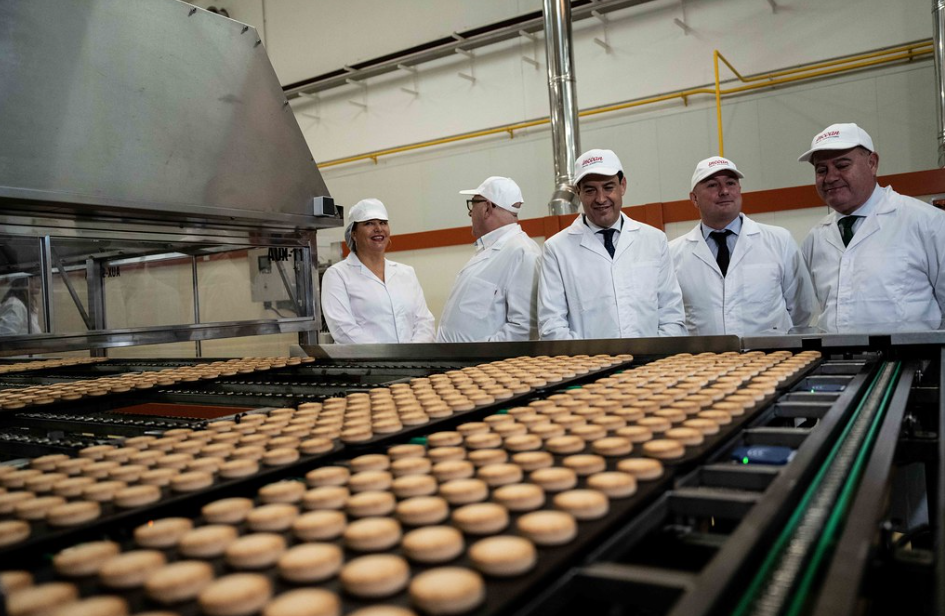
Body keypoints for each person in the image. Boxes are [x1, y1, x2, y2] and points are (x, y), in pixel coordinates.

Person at [799, 123, 945, 332]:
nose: (830, 177)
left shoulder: (928, 223)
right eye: (821, 170)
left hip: (910, 361)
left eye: (842, 165)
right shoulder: (815, 238)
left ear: (872, 163)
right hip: (836, 361)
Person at [538, 148, 686, 339]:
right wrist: (591, 364)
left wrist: (654, 358)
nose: (600, 199)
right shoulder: (556, 250)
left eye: (608, 187)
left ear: (622, 185)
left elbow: (671, 314)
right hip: (589, 366)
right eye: (590, 190)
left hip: (652, 364)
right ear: (578, 192)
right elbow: (552, 326)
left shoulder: (654, 240)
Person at [669, 156, 815, 336]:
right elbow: (672, 315)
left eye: (730, 183)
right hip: (705, 360)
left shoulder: (779, 240)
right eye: (712, 185)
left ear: (739, 190)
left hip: (772, 357)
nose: (724, 191)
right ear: (694, 198)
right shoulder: (673, 253)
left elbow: (802, 309)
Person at [437, 177, 541, 342]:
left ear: (486, 208)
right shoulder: (490, 250)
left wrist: (477, 354)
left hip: (481, 364)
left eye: (473, 204)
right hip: (462, 363)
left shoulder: (522, 253)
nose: (470, 213)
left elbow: (525, 328)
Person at [321, 198, 435, 343]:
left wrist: (412, 355)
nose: (378, 228)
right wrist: (388, 358)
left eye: (383, 222)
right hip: (368, 363)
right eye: (369, 223)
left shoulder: (406, 273)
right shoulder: (337, 275)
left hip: (412, 362)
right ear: (353, 233)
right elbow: (343, 329)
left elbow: (424, 321)